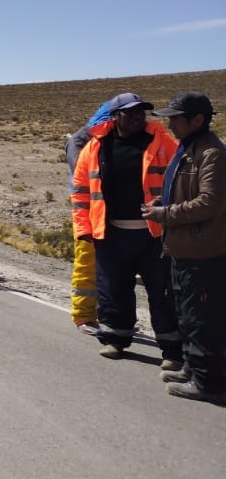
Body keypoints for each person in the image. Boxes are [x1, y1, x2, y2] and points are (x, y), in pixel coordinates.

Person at [71, 93, 180, 364]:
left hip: (155, 233)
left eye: (141, 112)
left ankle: (172, 350)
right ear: (116, 116)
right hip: (111, 233)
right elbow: (81, 192)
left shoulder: (161, 141)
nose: (137, 118)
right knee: (114, 289)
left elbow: (181, 178)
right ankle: (114, 339)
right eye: (130, 113)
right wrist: (83, 227)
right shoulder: (96, 147)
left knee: (163, 292)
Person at [141, 92, 225, 403]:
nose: (171, 124)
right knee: (188, 314)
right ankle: (192, 368)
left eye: (176, 118)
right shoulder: (191, 150)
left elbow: (209, 203)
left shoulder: (212, 154)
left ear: (198, 120)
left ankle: (207, 381)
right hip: (185, 249)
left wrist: (164, 214)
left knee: (202, 317)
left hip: (204, 253)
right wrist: (163, 203)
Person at [65, 100, 112, 335]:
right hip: (87, 211)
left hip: (107, 212)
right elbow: (84, 176)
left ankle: (110, 314)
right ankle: (84, 315)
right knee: (87, 261)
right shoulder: (80, 142)